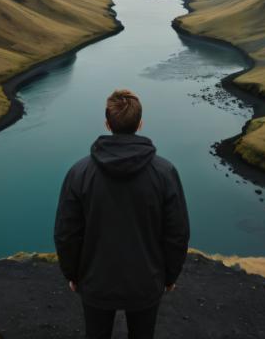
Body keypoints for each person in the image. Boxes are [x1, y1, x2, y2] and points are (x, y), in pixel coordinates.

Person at [54, 89, 190, 339]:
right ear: (140, 124)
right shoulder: (165, 172)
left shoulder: (79, 172)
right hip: (146, 282)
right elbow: (177, 233)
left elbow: (66, 232)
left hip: (95, 282)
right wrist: (170, 275)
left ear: (107, 123)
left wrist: (72, 273)